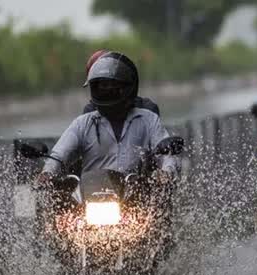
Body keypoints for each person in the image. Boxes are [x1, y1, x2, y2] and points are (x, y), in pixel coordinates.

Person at [36, 52, 178, 190]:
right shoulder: (82, 123)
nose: (106, 91)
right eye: (101, 87)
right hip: (90, 199)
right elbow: (59, 155)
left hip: (136, 197)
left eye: (112, 87)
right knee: (59, 211)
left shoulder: (148, 119)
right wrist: (47, 173)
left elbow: (165, 155)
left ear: (128, 87)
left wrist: (166, 173)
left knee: (158, 209)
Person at [81, 50, 161, 117]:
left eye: (112, 84)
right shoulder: (90, 113)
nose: (107, 90)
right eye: (102, 86)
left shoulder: (147, 108)